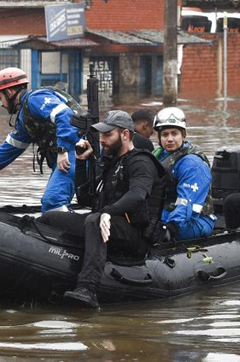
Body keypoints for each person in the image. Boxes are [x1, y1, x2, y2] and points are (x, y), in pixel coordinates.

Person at [55, 110, 163, 308]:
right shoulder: (110, 162)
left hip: (135, 234)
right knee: (51, 217)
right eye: (101, 135)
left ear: (125, 134)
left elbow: (138, 194)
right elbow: (85, 199)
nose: (102, 140)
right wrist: (81, 162)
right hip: (106, 223)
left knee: (94, 220)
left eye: (107, 135)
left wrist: (108, 212)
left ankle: (87, 288)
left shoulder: (140, 162)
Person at [0, 67, 82, 213]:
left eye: (0, 97)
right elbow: (7, 151)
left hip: (76, 153)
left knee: (53, 202)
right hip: (69, 155)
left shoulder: (35, 99)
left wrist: (62, 149)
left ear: (9, 93)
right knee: (51, 202)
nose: (0, 103)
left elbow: (65, 115)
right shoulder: (25, 118)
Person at [152, 107, 215, 241]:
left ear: (183, 135)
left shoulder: (192, 163)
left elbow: (187, 202)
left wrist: (170, 228)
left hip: (194, 220)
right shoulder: (158, 156)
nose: (170, 139)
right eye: (165, 135)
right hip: (166, 211)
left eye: (174, 134)